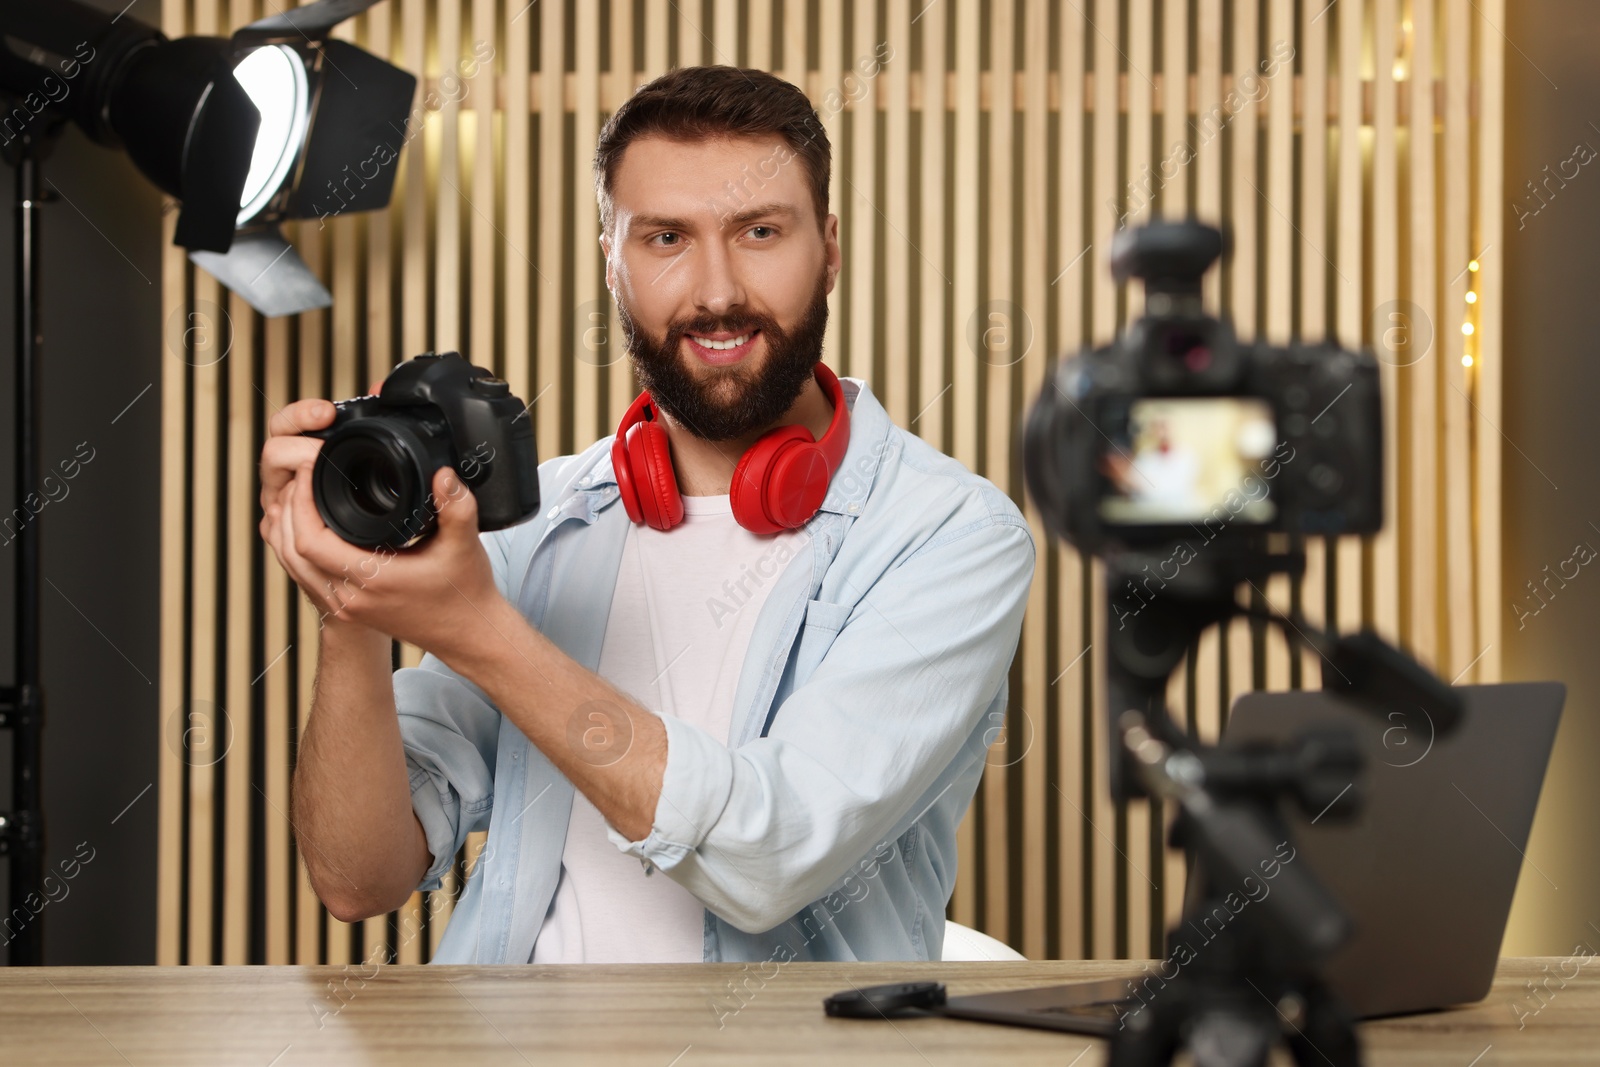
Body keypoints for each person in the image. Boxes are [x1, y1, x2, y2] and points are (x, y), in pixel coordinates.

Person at [257, 65, 1034, 965]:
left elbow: (767, 855)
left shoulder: (948, 536)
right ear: (611, 258)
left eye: (759, 231)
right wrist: (349, 610)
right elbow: (360, 879)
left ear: (828, 247)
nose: (716, 291)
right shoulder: (527, 525)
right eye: (666, 236)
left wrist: (478, 630)